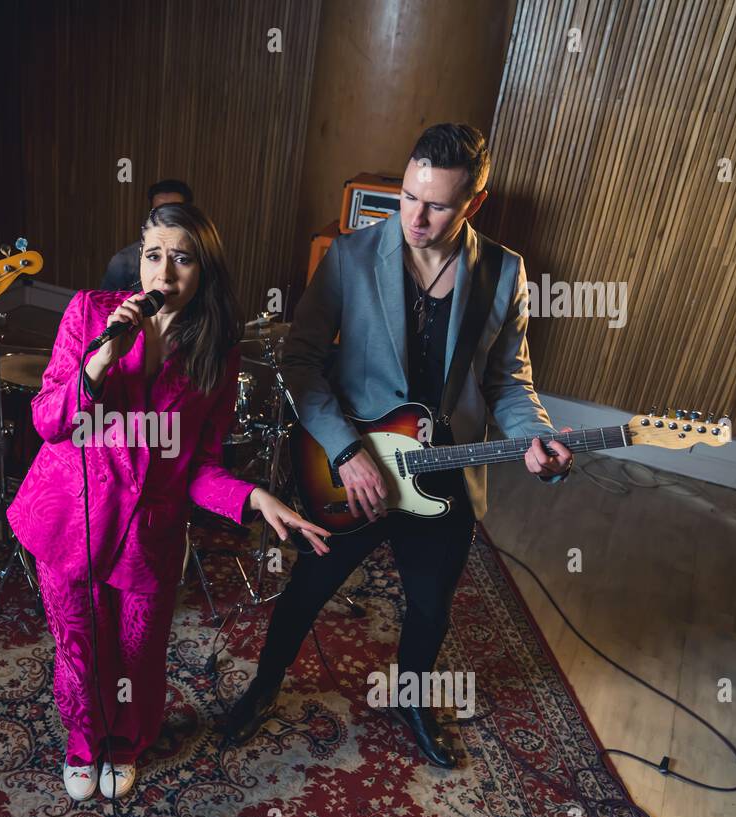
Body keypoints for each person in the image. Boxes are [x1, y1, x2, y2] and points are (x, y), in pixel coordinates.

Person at [224, 124, 574, 767]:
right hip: (352, 470)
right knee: (306, 591)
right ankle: (264, 685)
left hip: (444, 472)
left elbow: (507, 383)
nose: (415, 215)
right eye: (408, 196)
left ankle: (414, 699)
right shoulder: (351, 257)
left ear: (476, 203)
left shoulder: (503, 271)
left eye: (437, 204)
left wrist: (535, 441)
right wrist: (345, 449)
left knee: (431, 607)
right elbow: (301, 363)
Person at [9, 203, 329, 800]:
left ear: (203, 268)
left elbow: (200, 467)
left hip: (146, 531)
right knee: (78, 644)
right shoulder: (88, 313)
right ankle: (84, 745)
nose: (164, 273)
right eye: (153, 256)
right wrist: (99, 361)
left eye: (181, 258)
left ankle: (126, 743)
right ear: (138, 259)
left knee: (137, 652)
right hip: (68, 519)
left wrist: (255, 496)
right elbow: (48, 421)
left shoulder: (215, 350)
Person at [98, 179, 193, 291]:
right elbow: (105, 305)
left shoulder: (205, 257)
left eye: (181, 260)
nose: (164, 276)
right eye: (154, 257)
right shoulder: (124, 262)